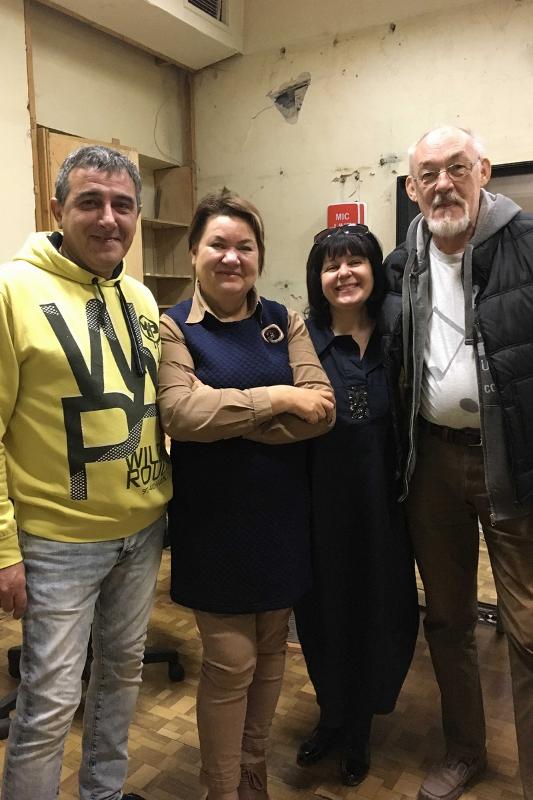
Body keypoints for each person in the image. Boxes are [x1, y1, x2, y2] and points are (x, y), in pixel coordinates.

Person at [0, 145, 171, 800]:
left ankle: (104, 794)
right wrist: (5, 551)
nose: (108, 219)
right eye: (90, 202)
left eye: (123, 205)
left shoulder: (143, 299)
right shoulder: (12, 291)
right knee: (48, 704)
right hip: (57, 542)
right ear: (57, 209)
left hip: (142, 532)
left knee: (120, 679)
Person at [157, 189, 335, 800]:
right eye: (218, 244)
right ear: (194, 252)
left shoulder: (284, 321)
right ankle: (221, 788)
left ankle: (252, 769)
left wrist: (227, 417)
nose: (231, 257)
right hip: (214, 524)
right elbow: (181, 414)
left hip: (281, 518)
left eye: (245, 246)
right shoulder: (173, 327)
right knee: (229, 664)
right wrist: (279, 398)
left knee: (271, 654)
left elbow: (323, 409)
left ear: (259, 255)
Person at [380, 125, 533, 800]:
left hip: (513, 462)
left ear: (483, 171)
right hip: (431, 464)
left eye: (456, 168)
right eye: (428, 175)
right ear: (412, 189)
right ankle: (464, 750)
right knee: (446, 620)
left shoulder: (526, 244)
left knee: (527, 627)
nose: (443, 184)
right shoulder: (400, 265)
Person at [293, 224, 419, 786]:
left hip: (385, 512)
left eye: (355, 262)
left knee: (380, 613)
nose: (344, 273)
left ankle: (360, 727)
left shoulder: (400, 334)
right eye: (331, 265)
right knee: (323, 617)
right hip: (320, 512)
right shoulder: (301, 343)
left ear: (374, 269)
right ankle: (331, 716)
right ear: (317, 279)